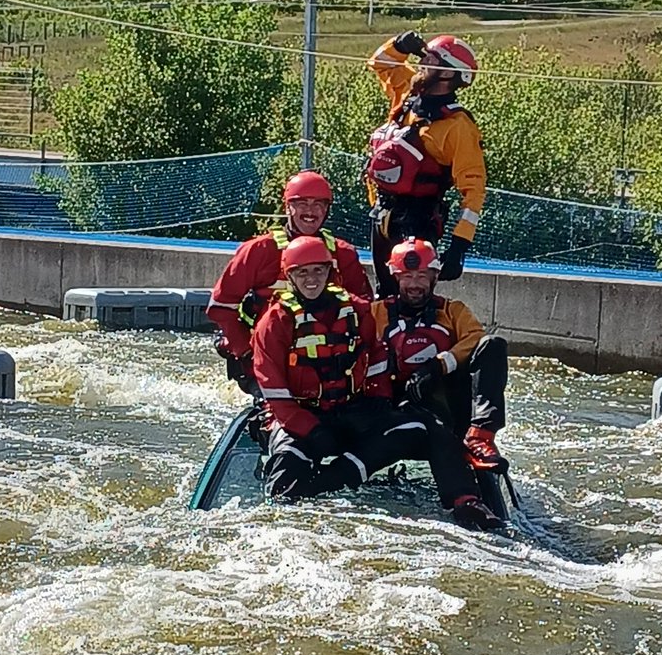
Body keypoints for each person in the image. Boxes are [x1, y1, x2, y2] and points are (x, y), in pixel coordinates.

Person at [252, 235, 501, 529]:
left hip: (365, 408)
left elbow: (375, 358)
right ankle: (283, 512)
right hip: (303, 415)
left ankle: (466, 500)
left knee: (432, 430)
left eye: (318, 270)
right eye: (302, 272)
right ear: (289, 276)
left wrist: (388, 396)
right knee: (286, 465)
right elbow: (273, 389)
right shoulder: (277, 322)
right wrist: (310, 428)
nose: (414, 284)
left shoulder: (363, 311)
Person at [206, 169, 372, 398]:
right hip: (261, 357)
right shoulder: (258, 251)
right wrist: (247, 353)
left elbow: (365, 312)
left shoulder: (344, 255)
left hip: (324, 362)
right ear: (287, 207)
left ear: (327, 209)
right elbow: (221, 307)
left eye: (318, 204)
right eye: (302, 203)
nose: (310, 211)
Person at [370, 237, 512, 496]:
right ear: (395, 277)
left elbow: (476, 339)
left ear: (435, 276)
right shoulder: (374, 313)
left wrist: (438, 365)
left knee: (493, 345)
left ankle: (480, 436)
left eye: (423, 276)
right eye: (407, 276)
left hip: (446, 405)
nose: (415, 284)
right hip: (394, 405)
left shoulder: (453, 311)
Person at [366, 30, 486, 296]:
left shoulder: (458, 127)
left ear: (447, 74)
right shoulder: (408, 95)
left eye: (431, 59)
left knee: (412, 295)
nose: (422, 62)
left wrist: (459, 246)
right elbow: (380, 63)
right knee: (384, 293)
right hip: (382, 216)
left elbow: (474, 190)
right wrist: (398, 45)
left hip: (418, 222)